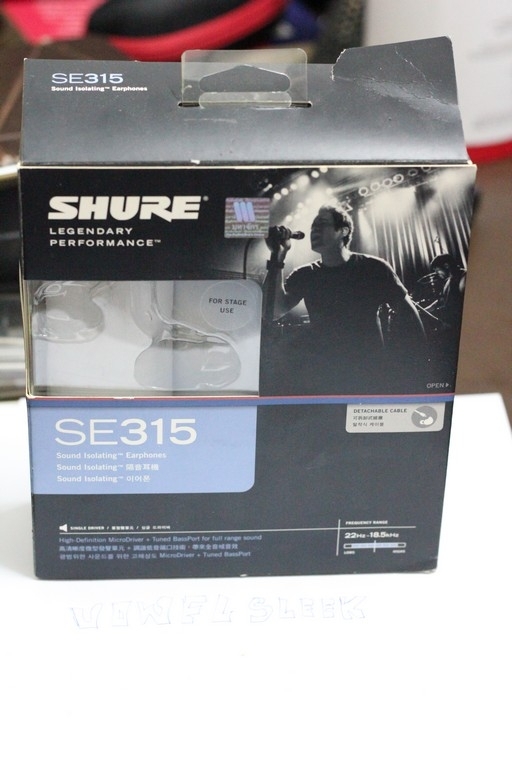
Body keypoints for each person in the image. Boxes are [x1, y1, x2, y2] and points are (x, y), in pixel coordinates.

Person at [263, 205, 425, 392]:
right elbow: (272, 311)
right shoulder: (305, 274)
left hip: (370, 372)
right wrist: (278, 255)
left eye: (322, 224)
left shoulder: (373, 267)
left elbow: (409, 314)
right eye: (313, 227)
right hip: (325, 374)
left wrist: (419, 364)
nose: (314, 230)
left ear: (344, 231)